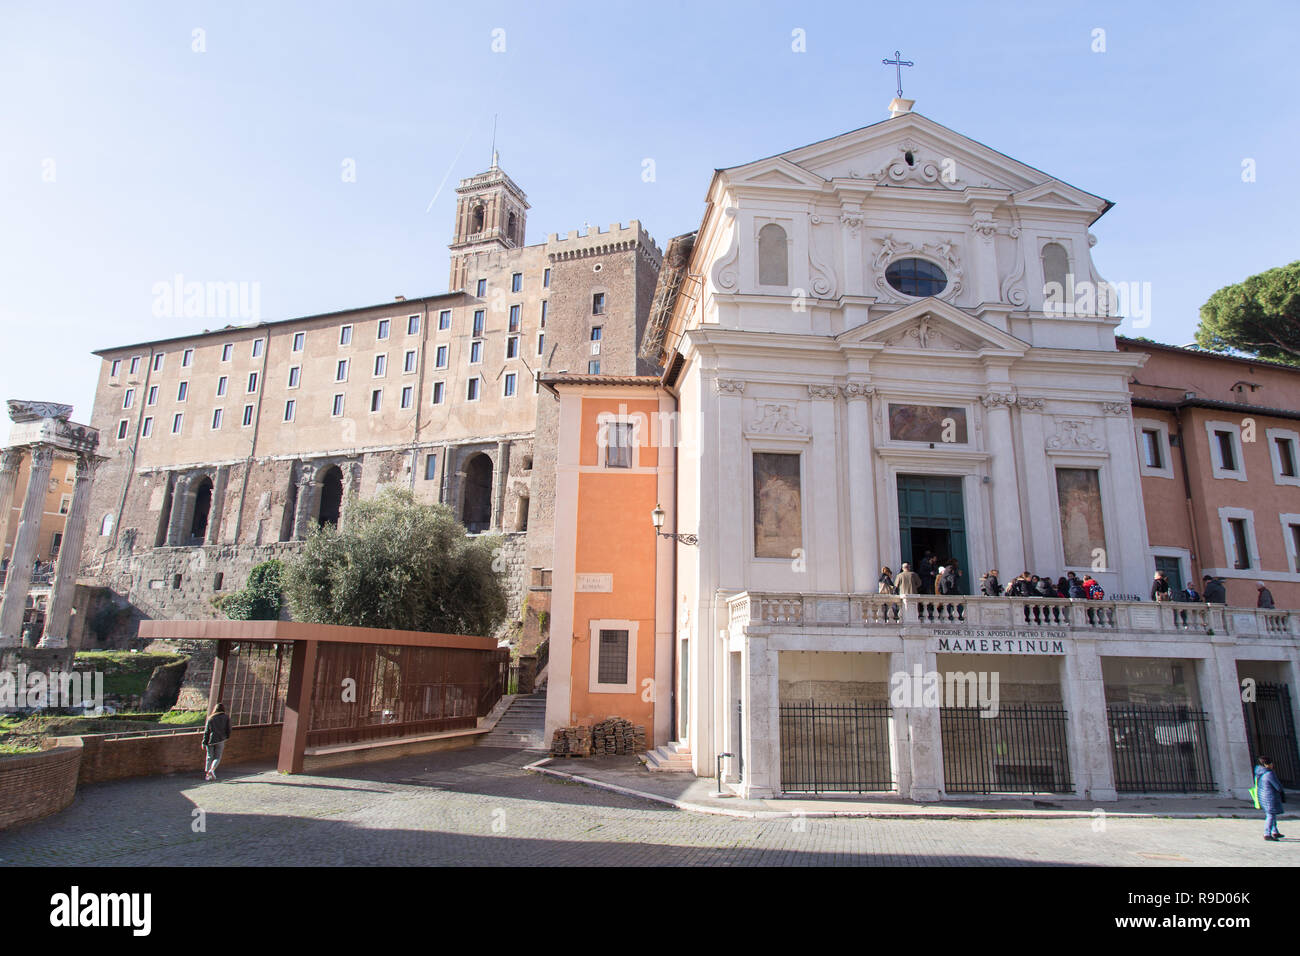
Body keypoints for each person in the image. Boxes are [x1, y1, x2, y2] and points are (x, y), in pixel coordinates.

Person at [1255, 756, 1285, 841]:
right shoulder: (1269, 773)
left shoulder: (1260, 772)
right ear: (1267, 764)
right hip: (1269, 797)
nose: (1273, 765)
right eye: (1271, 763)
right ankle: (1267, 834)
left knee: (1272, 813)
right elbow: (1278, 787)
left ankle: (1275, 831)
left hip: (1263, 796)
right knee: (1270, 815)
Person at [202, 702, 232, 781]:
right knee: (217, 757)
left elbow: (206, 731)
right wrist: (227, 736)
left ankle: (207, 774)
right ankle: (212, 769)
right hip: (220, 739)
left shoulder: (210, 718)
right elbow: (228, 729)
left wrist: (204, 742)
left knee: (209, 757)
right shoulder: (226, 717)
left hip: (210, 740)